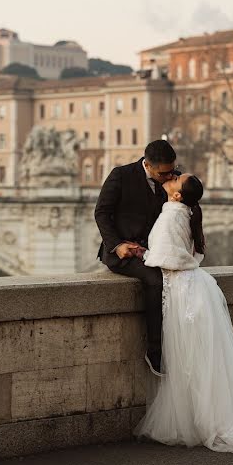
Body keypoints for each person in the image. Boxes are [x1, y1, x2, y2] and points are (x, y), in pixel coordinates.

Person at [136, 173, 233, 452]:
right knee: (206, 362)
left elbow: (165, 258)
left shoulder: (172, 216)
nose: (172, 178)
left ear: (176, 195)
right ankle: (211, 419)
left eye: (176, 180)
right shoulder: (184, 212)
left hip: (182, 292)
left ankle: (204, 423)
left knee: (190, 362)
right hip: (196, 289)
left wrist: (141, 254)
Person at [94, 140, 180, 376]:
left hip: (158, 249)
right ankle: (155, 351)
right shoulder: (121, 175)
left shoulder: (174, 179)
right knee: (154, 280)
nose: (170, 176)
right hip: (124, 252)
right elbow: (101, 213)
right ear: (148, 166)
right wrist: (117, 245)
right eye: (164, 173)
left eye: (172, 170)